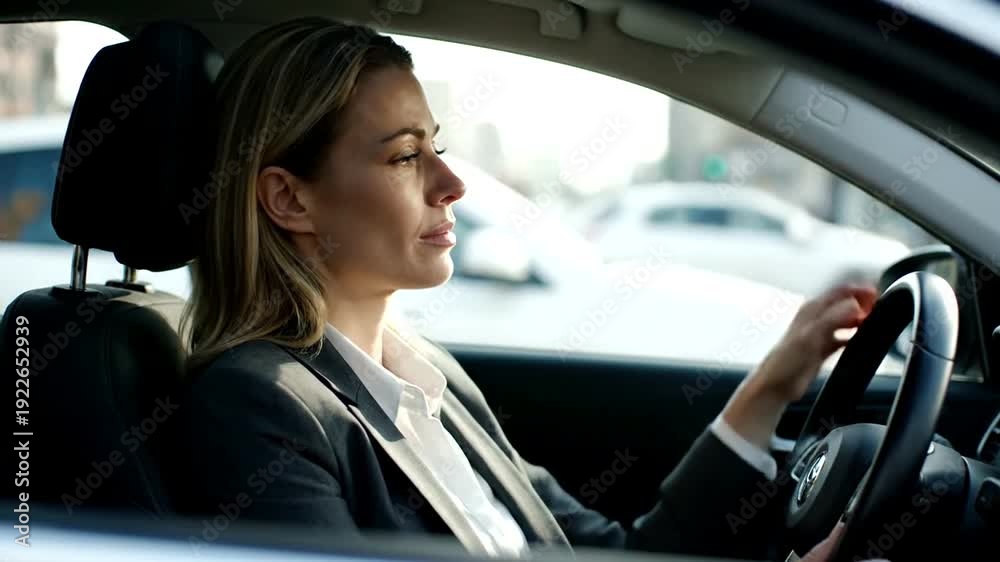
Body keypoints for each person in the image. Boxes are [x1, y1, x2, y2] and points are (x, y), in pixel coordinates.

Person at [168, 16, 881, 561]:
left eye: (436, 146)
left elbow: (614, 552)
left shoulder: (427, 374)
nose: (452, 183)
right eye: (406, 156)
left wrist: (775, 382)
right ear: (290, 200)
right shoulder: (256, 406)